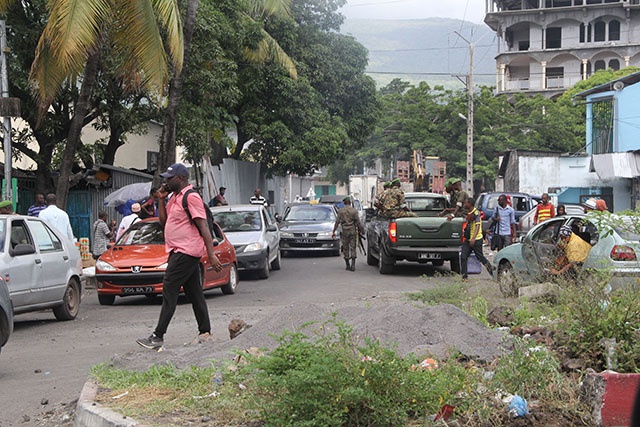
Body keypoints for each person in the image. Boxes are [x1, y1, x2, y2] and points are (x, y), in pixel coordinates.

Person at [137, 163, 222, 350]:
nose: (166, 181)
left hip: (187, 250)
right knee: (194, 292)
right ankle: (205, 331)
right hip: (177, 249)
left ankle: (158, 336)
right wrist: (160, 199)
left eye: (169, 178)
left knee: (169, 287)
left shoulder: (191, 197)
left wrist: (211, 254)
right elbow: (164, 222)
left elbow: (203, 227)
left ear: (181, 179)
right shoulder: (174, 197)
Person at [460, 198, 494, 281]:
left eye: (466, 203)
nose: (465, 204)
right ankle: (465, 277)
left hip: (476, 239)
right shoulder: (469, 213)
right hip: (468, 239)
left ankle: (493, 273)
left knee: (480, 257)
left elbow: (477, 226)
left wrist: (473, 238)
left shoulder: (476, 213)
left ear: (470, 204)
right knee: (463, 257)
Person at [332, 197, 363, 271]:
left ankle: (347, 265)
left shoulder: (341, 211)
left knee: (345, 247)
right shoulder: (354, 211)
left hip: (344, 231)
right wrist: (361, 230)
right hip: (352, 231)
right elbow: (358, 222)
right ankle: (353, 265)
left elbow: (337, 222)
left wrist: (333, 231)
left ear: (344, 203)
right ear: (350, 202)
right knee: (353, 247)